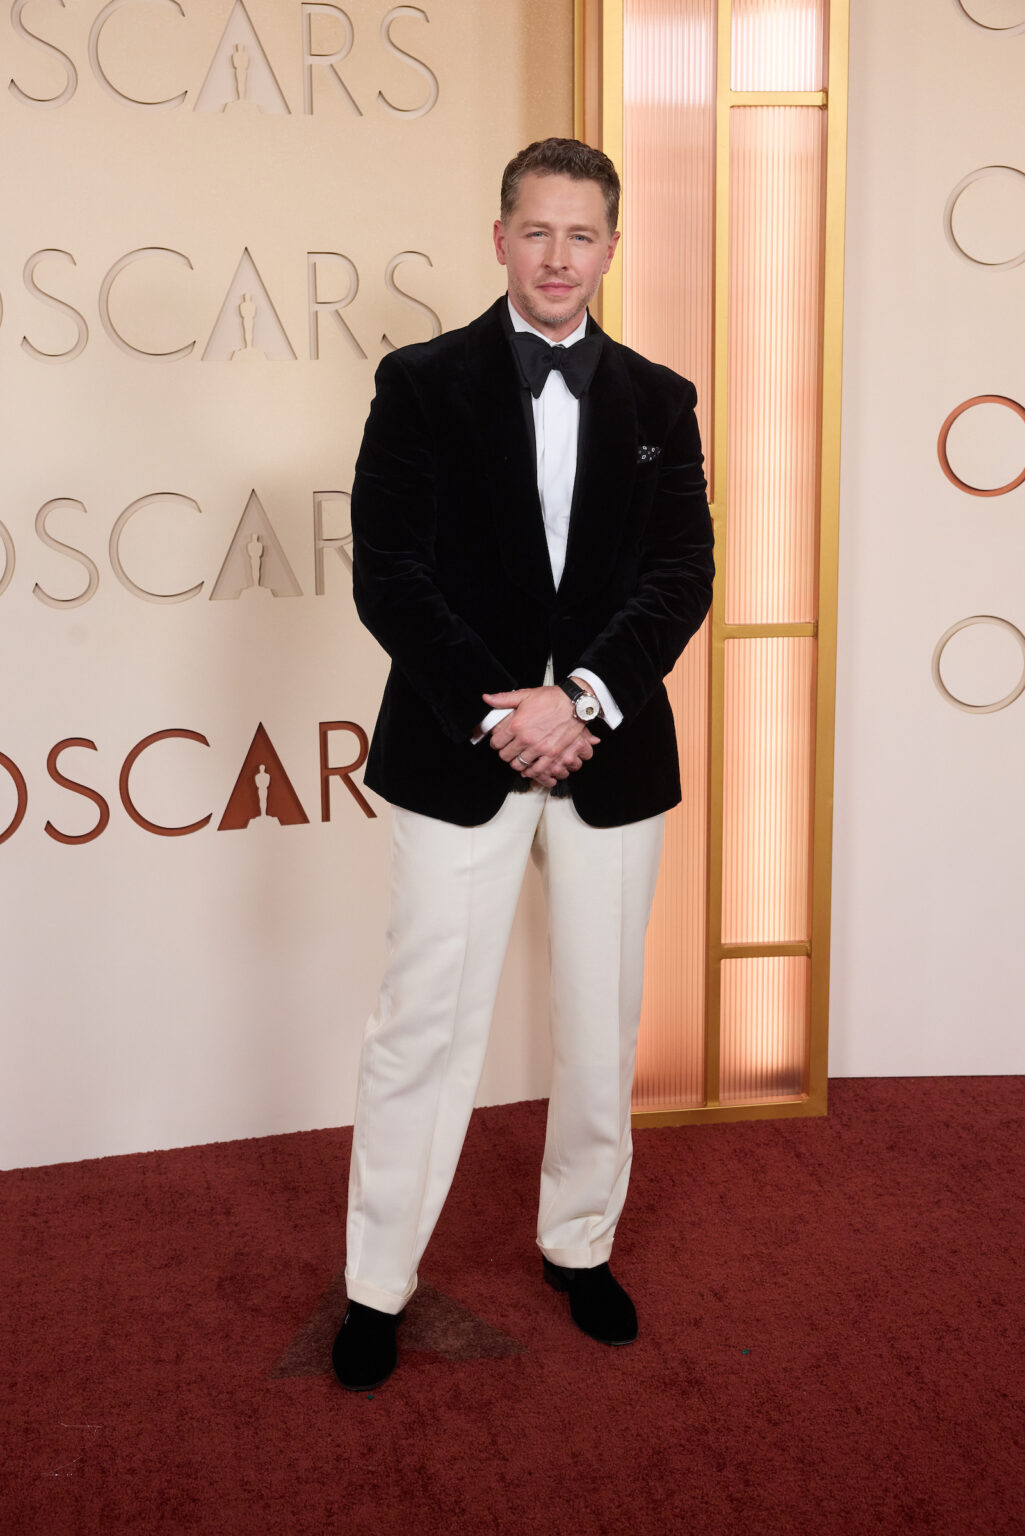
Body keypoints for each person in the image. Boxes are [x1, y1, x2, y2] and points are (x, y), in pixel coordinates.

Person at [334, 137, 714, 1392]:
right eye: (536, 232)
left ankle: (578, 1244)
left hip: (608, 752)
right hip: (460, 747)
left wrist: (582, 703)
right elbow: (389, 574)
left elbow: (680, 578)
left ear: (611, 246)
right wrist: (504, 715)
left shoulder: (661, 399)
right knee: (422, 1025)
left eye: (583, 235)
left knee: (601, 1024)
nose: (559, 258)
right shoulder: (419, 381)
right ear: (499, 237)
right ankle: (377, 1281)